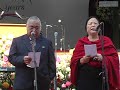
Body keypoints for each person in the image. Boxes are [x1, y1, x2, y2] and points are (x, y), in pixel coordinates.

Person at [70, 16, 119, 90]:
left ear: (99, 28)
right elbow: (73, 61)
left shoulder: (106, 41)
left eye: (95, 23)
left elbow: (115, 59)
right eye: (90, 24)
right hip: (85, 79)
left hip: (102, 79)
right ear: (86, 28)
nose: (93, 25)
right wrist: (82, 60)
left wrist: (103, 58)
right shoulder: (81, 42)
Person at [8, 16, 56, 90]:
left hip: (42, 84)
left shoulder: (47, 43)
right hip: (22, 83)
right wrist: (22, 59)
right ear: (26, 27)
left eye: (37, 28)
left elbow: (52, 63)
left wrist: (48, 78)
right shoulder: (17, 41)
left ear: (40, 28)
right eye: (31, 27)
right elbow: (11, 57)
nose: (34, 30)